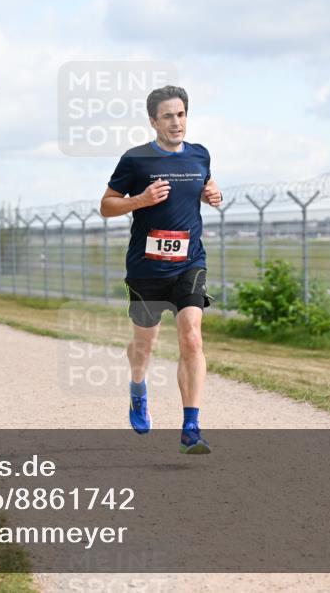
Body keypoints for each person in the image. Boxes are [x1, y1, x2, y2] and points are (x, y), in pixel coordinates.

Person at [99, 85, 223, 454]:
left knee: (192, 336)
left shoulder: (200, 155)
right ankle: (138, 388)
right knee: (144, 344)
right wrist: (140, 200)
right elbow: (107, 206)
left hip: (189, 263)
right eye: (167, 116)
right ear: (153, 121)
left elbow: (207, 184)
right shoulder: (136, 160)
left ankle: (191, 426)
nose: (176, 122)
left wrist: (212, 194)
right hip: (146, 269)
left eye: (181, 114)